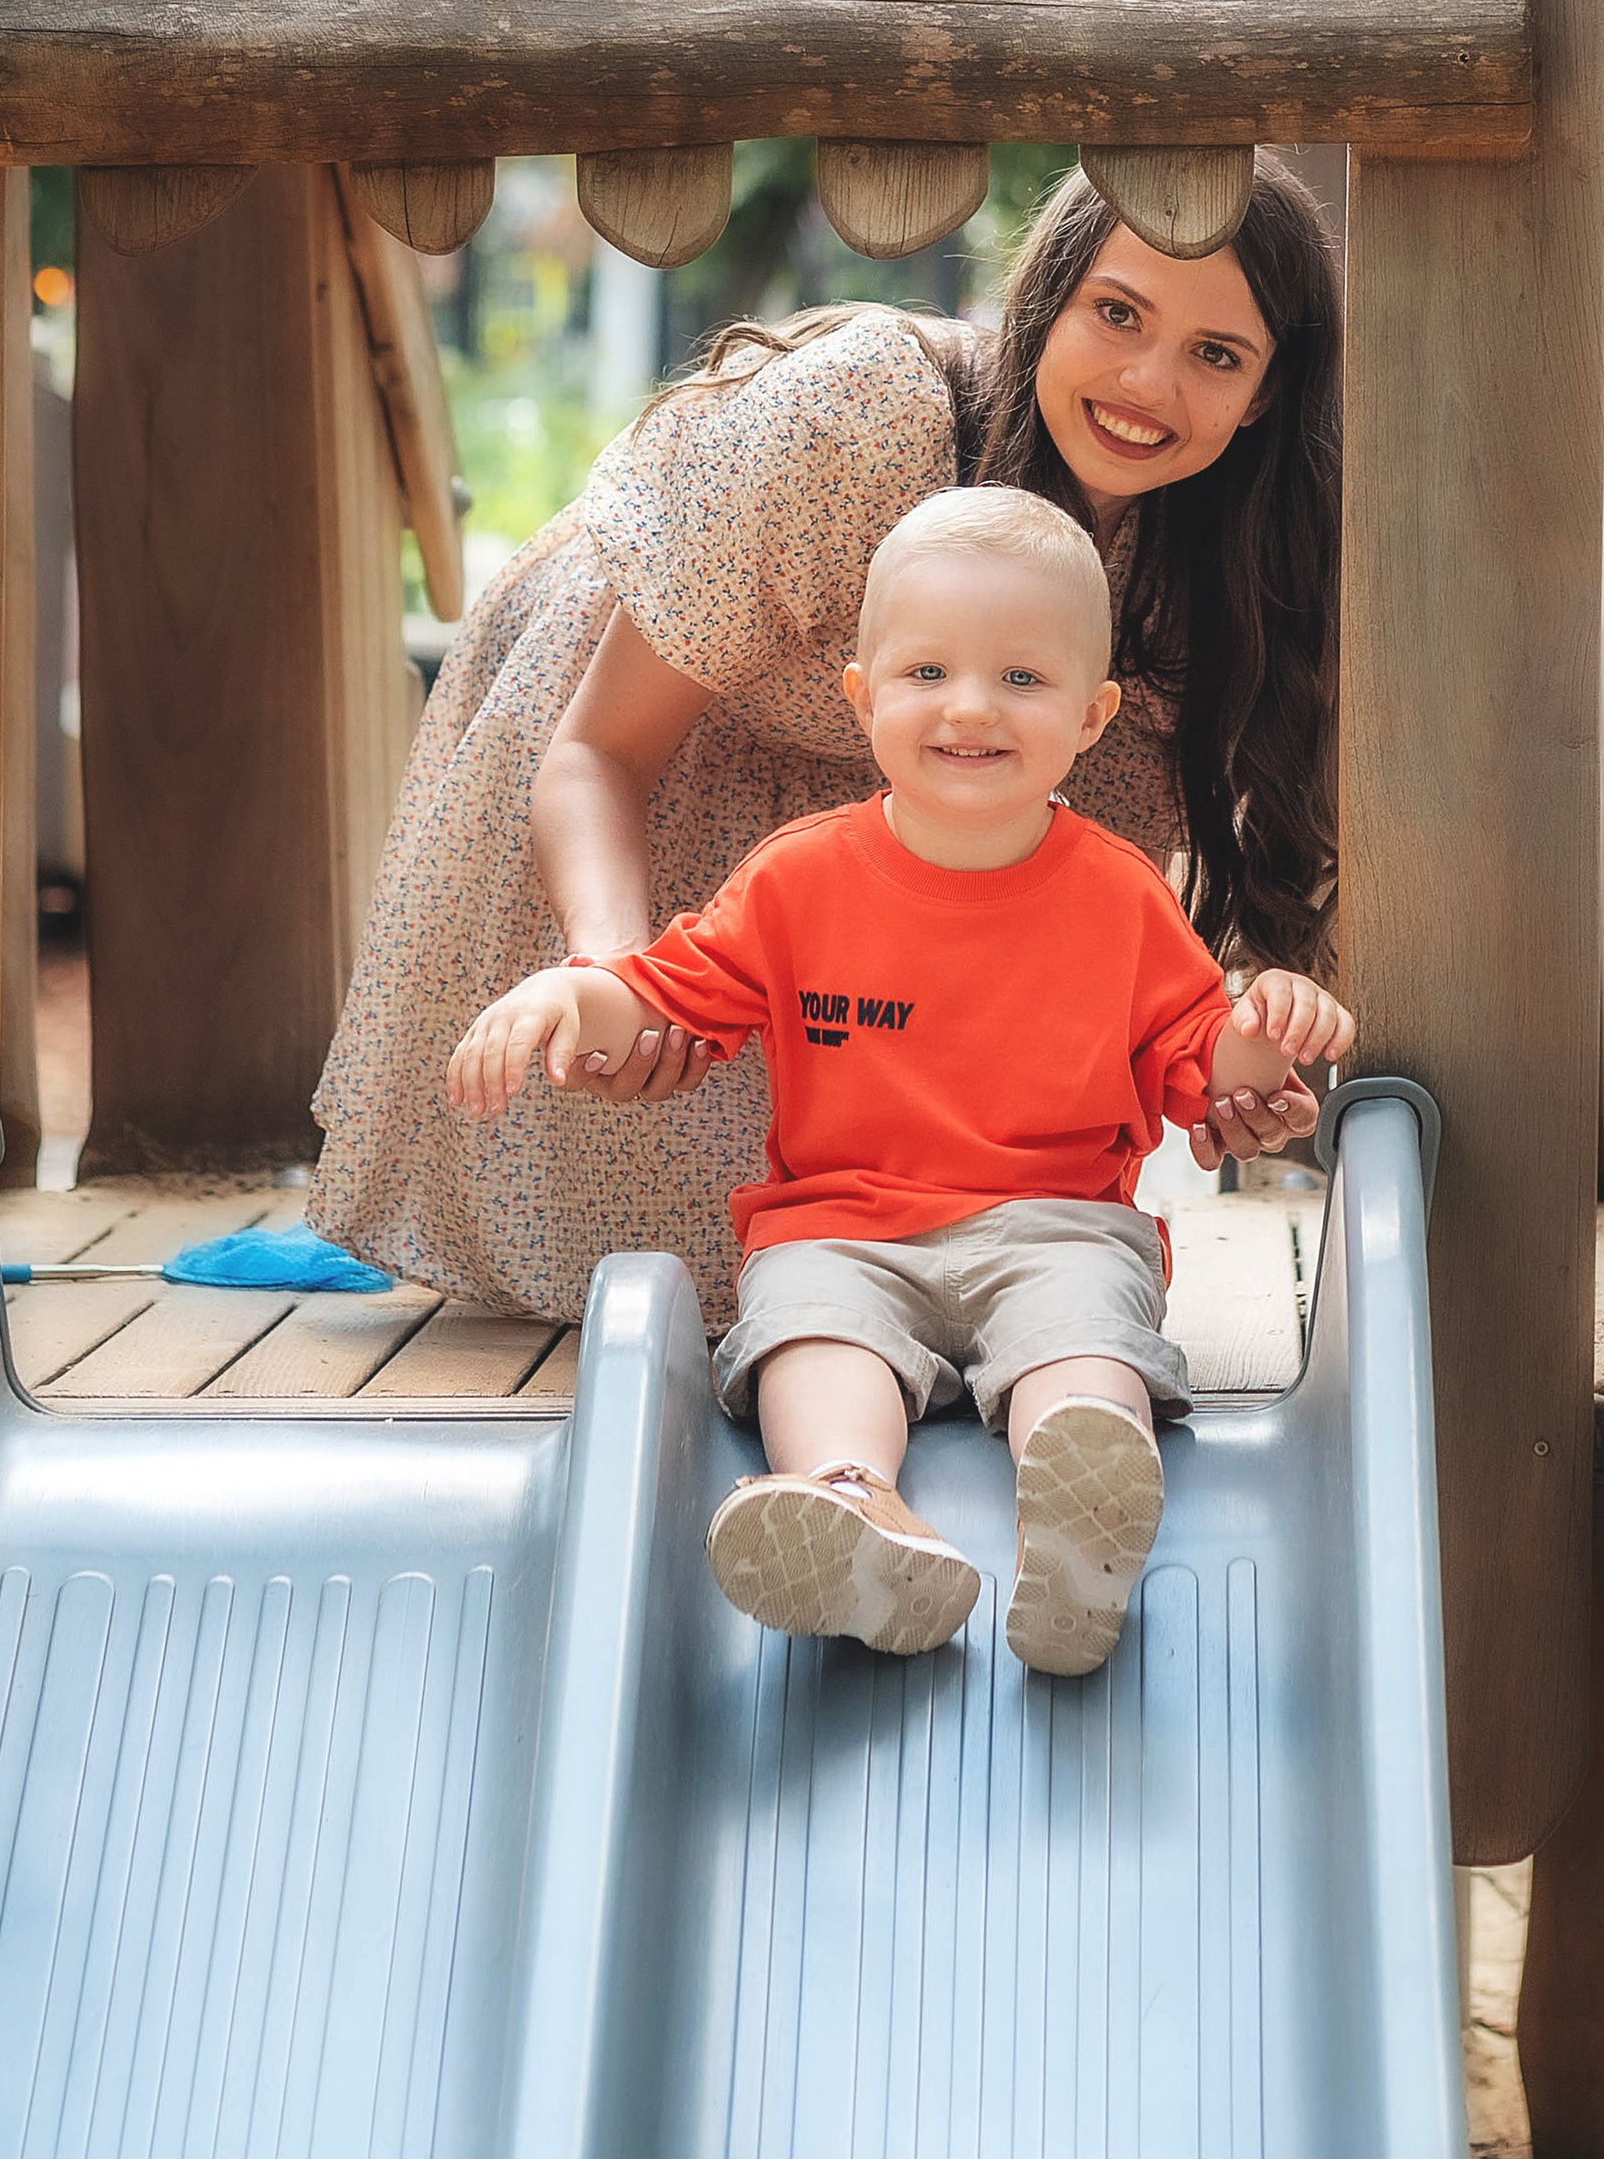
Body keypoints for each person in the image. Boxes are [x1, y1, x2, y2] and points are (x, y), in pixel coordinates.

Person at [309, 162, 1343, 1334]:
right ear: (1046, 298)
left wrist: (1218, 1064)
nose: (1148, 383)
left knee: (897, 1226)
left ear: (1263, 392)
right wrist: (615, 968)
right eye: (1116, 313)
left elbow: (1094, 914)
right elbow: (597, 752)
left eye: (1218, 354)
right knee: (703, 1261)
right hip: (663, 737)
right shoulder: (866, 419)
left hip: (930, 828)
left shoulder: (1223, 548)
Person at [445, 487, 1354, 1671]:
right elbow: (668, 994)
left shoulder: (1118, 893)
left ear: (1091, 715)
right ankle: (853, 1507)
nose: (970, 706)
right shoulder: (798, 882)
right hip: (842, 1228)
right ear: (863, 698)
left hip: (1058, 1223)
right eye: (926, 671)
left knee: (1083, 1344)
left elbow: (1202, 1061)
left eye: (1021, 680)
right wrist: (563, 995)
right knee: (810, 1330)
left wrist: (1271, 1023)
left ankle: (1076, 1518)